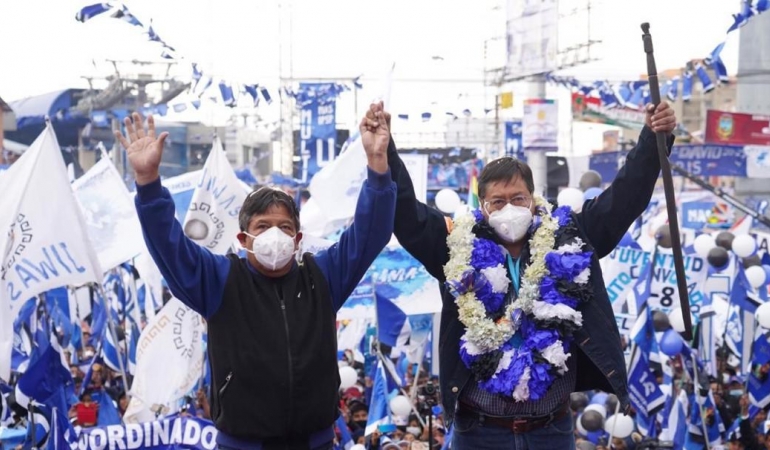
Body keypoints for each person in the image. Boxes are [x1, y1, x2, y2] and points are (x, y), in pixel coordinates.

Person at [367, 100, 676, 449]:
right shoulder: (454, 244)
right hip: (478, 432)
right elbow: (407, 215)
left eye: (518, 198)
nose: (509, 209)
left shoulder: (569, 236)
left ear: (533, 199)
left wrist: (653, 139)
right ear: (482, 208)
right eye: (498, 202)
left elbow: (623, 199)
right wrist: (384, 156)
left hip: (551, 430)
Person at [115, 111, 396, 450]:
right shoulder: (219, 280)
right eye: (263, 226)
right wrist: (148, 183)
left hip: (316, 443)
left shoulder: (321, 277)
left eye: (285, 227)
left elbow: (370, 233)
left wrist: (378, 162)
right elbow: (169, 247)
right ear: (243, 238)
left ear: (298, 239)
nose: (275, 235)